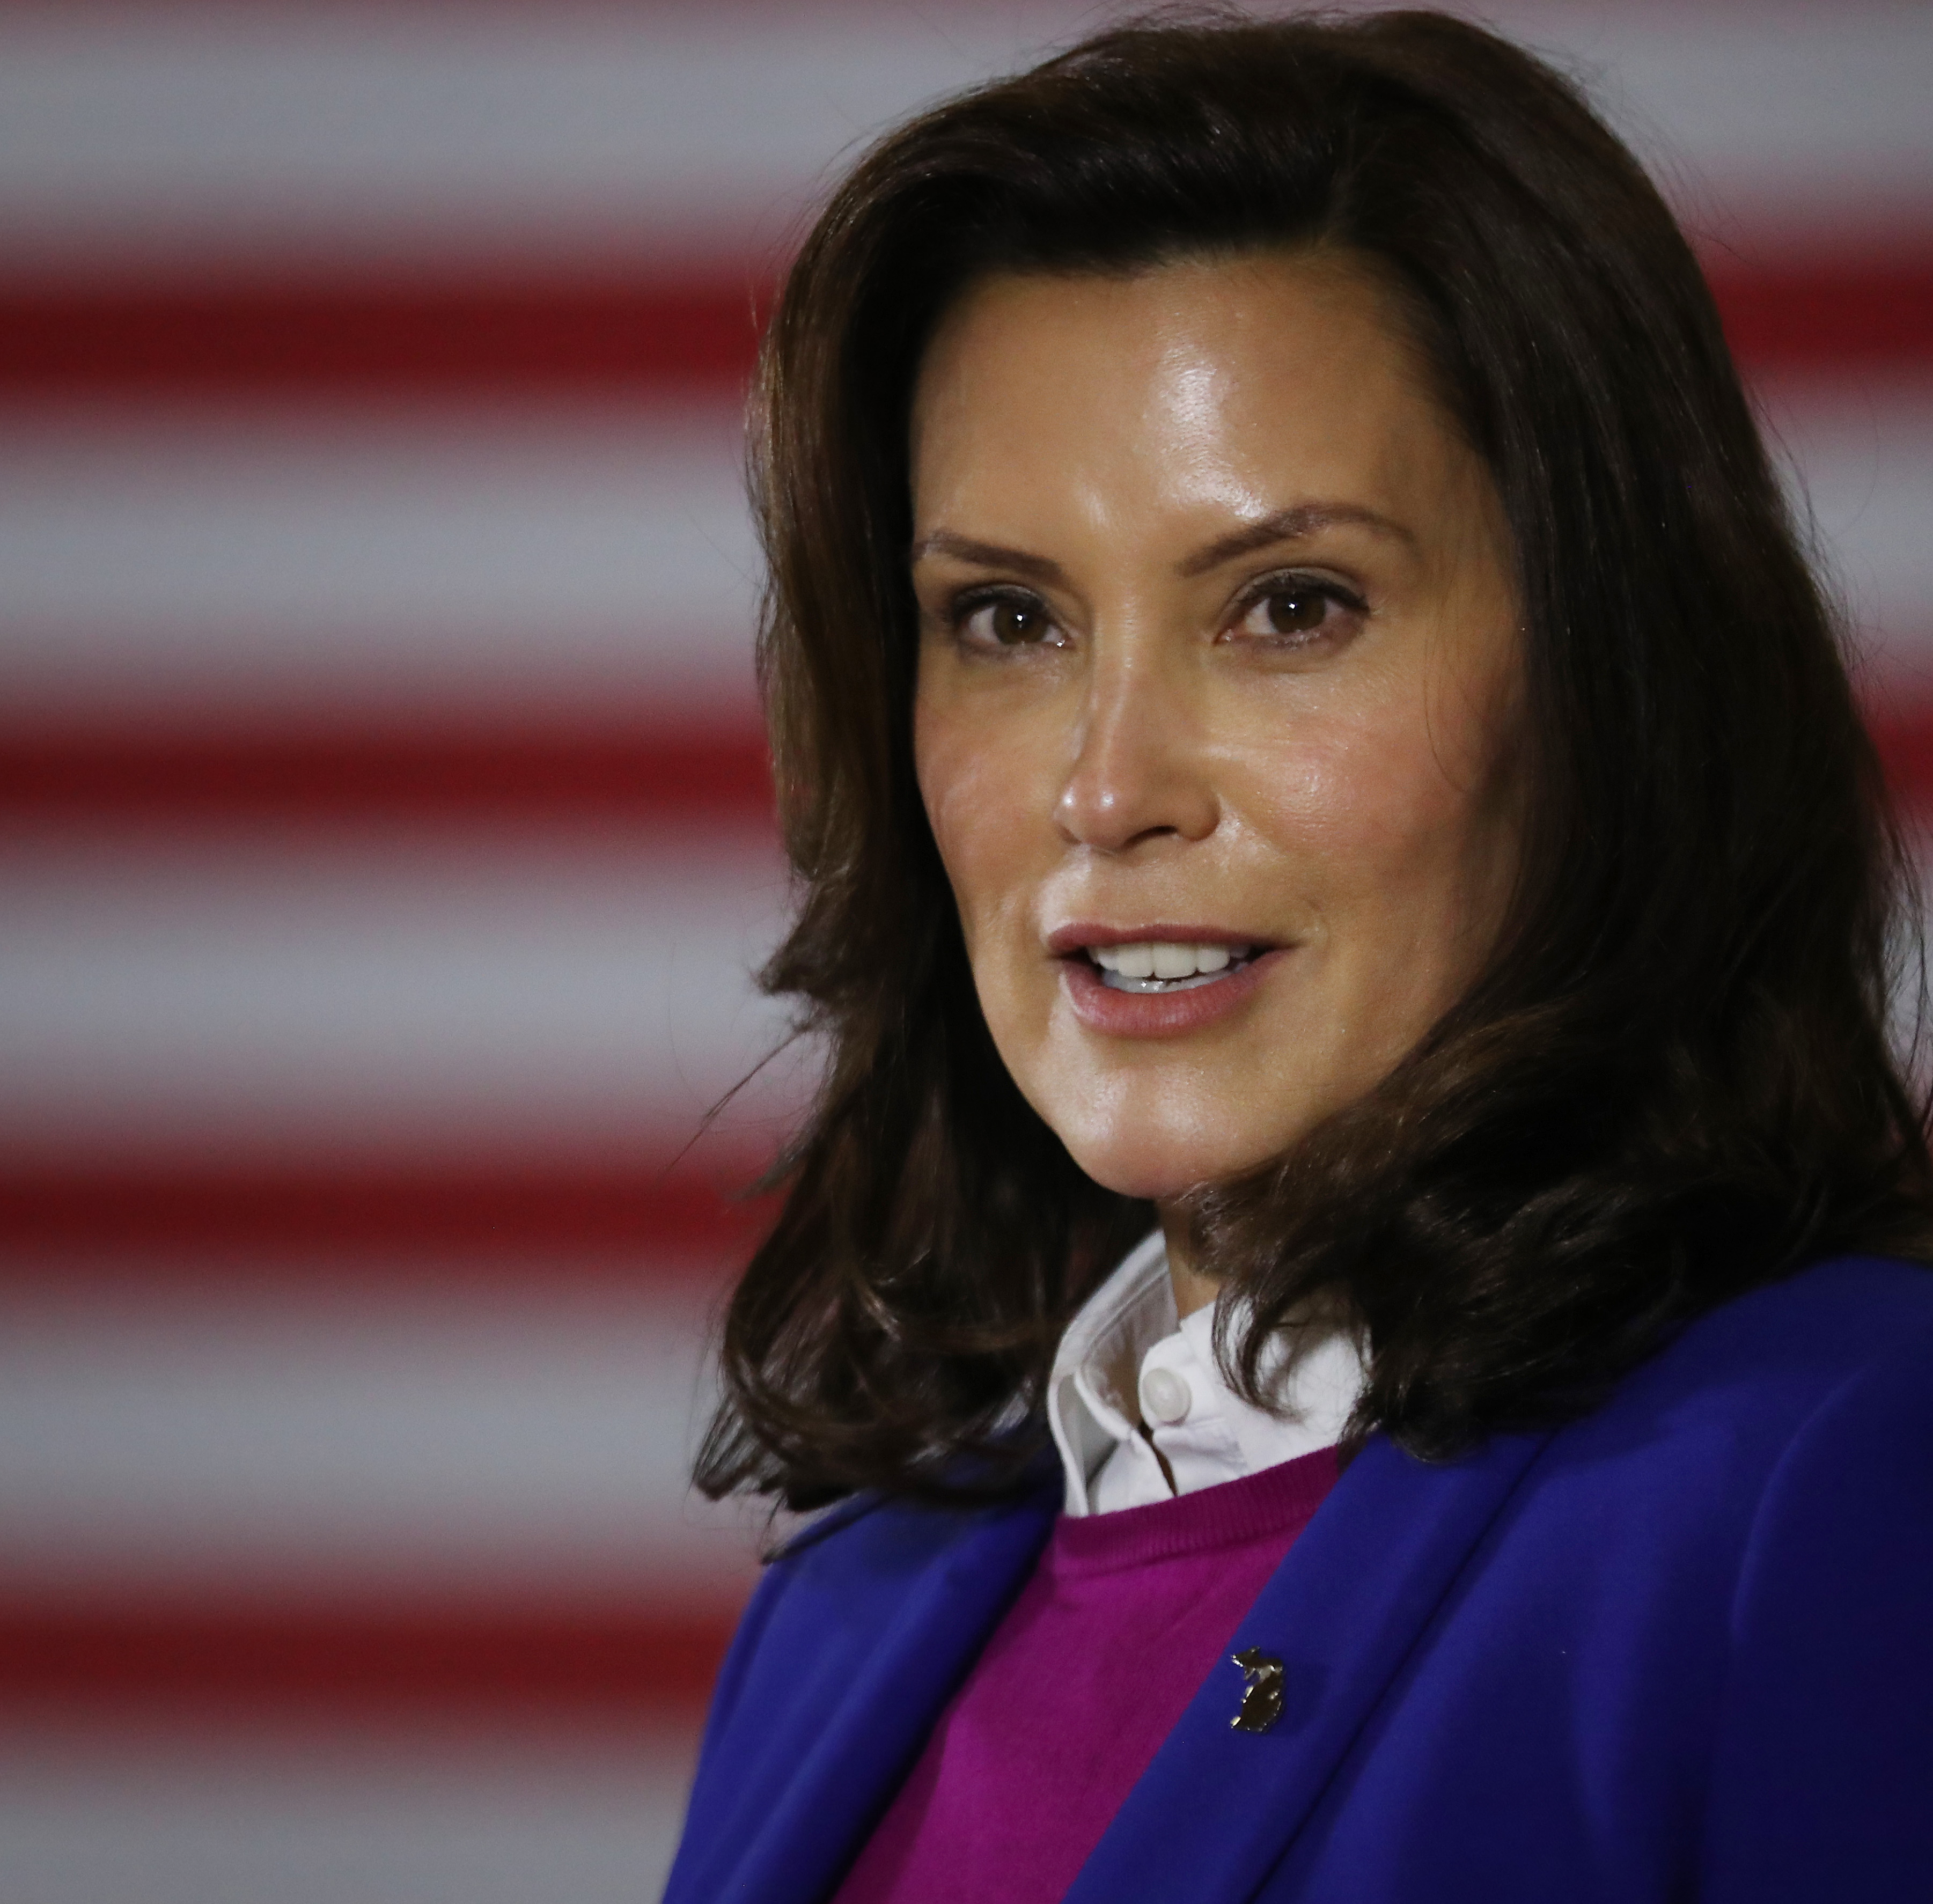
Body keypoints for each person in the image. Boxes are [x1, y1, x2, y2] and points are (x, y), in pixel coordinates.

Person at [662, 12, 1933, 1903]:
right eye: (1005, 617)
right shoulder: (848, 1600)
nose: (1105, 789)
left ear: (1606, 682)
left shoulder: (1842, 1481)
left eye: (1287, 606)